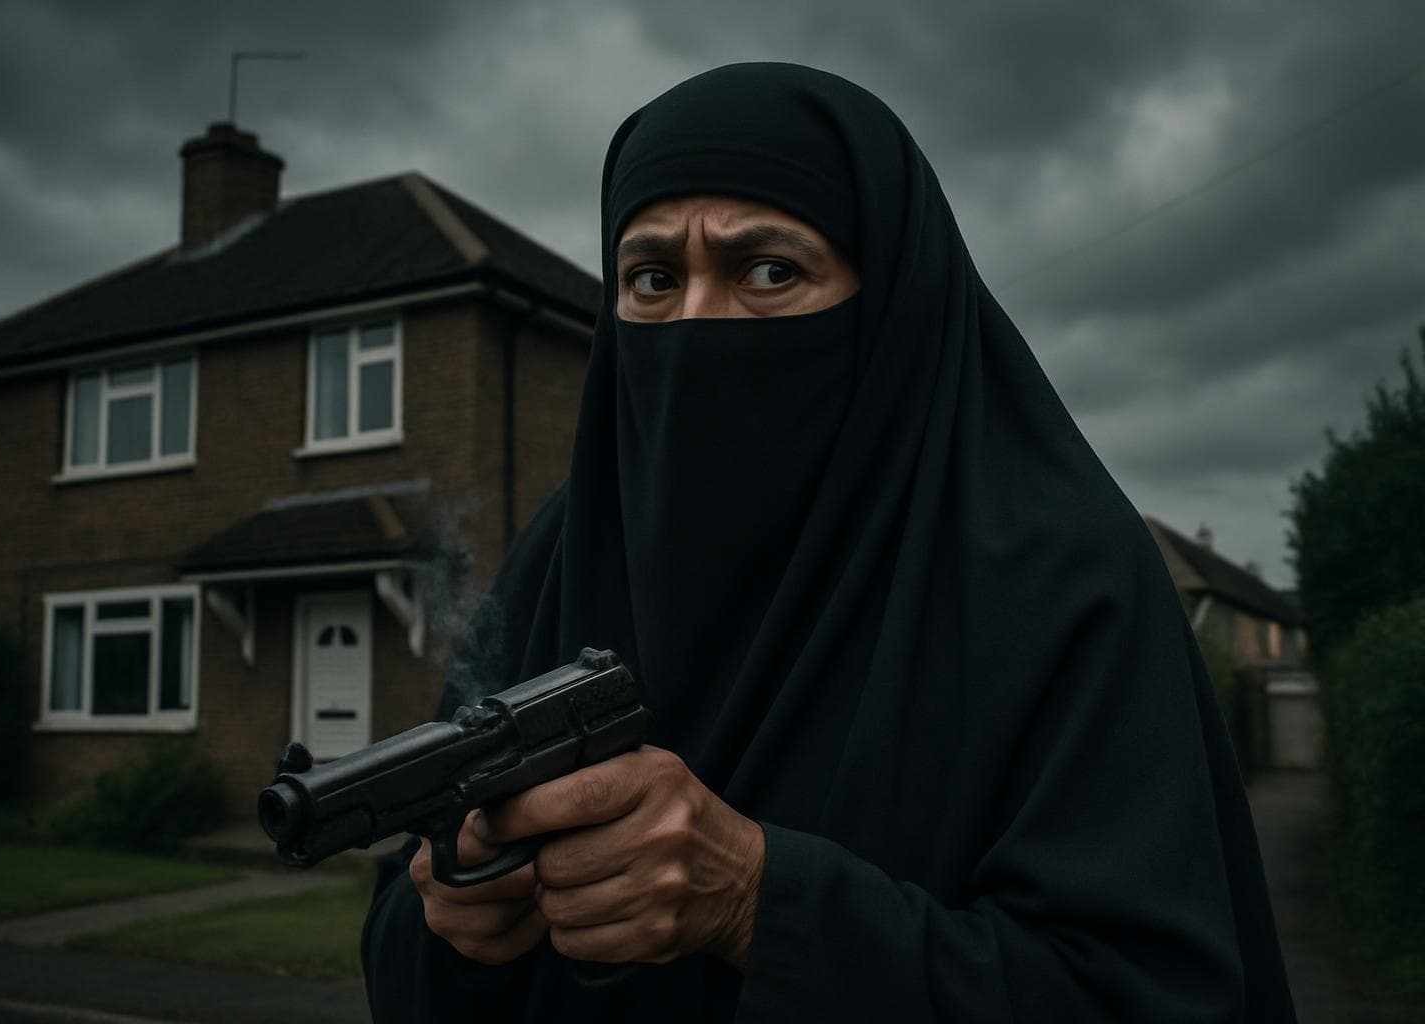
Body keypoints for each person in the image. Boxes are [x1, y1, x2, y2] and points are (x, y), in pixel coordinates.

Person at [362, 62, 1297, 1021]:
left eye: (768, 270)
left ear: (890, 300)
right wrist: (448, 918)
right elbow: (405, 928)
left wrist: (763, 904)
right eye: (650, 276)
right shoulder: (562, 554)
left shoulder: (1061, 579)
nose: (694, 328)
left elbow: (1150, 994)